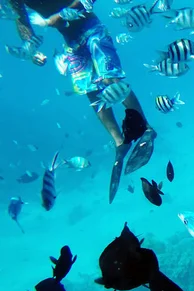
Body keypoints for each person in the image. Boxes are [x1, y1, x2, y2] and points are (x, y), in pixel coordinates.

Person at [7, 0, 156, 204]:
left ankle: (146, 128)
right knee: (92, 92)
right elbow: (21, 19)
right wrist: (30, 48)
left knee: (110, 80)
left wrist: (60, 16)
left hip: (92, 30)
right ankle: (119, 142)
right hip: (71, 42)